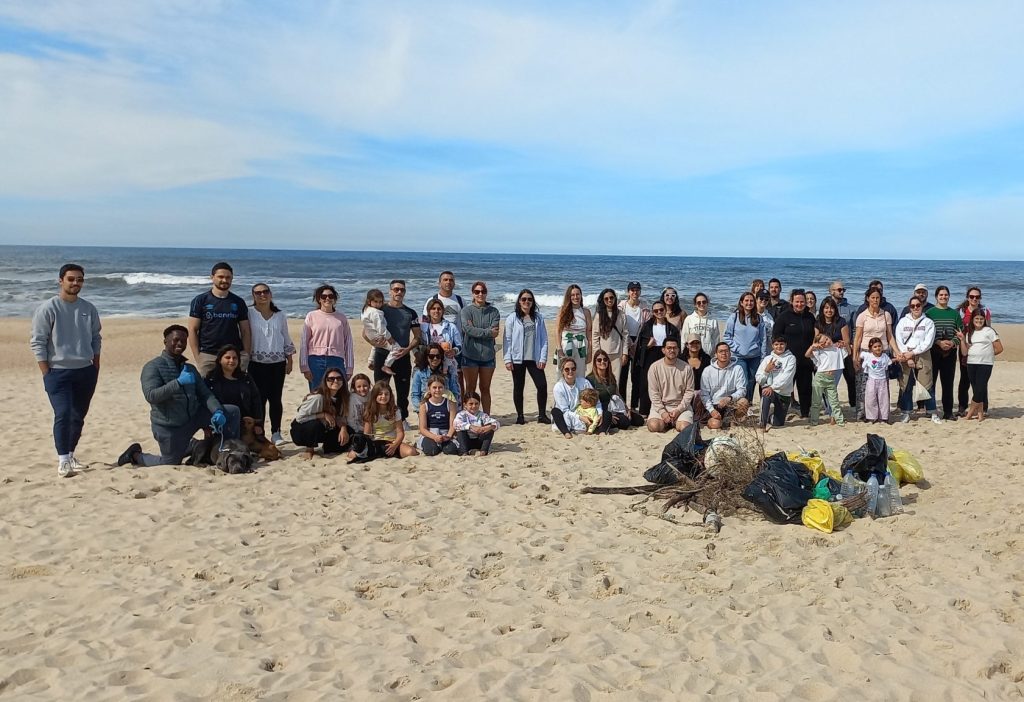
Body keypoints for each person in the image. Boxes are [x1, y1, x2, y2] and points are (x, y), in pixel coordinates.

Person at [116, 325, 240, 468]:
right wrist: (178, 383)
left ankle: (227, 452)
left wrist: (217, 411)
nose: (180, 343)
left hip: (193, 417)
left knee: (232, 412)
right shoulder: (152, 367)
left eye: (183, 340)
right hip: (169, 425)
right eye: (176, 340)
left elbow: (205, 394)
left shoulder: (190, 369)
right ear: (165, 341)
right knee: (170, 462)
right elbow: (151, 396)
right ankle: (135, 455)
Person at [31, 263, 101, 477]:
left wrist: (95, 365)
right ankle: (62, 461)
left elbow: (96, 337)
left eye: (79, 279)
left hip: (85, 371)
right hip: (58, 372)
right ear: (61, 280)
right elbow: (38, 342)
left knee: (78, 416)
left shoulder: (88, 308)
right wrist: (46, 372)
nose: (75, 283)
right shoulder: (48, 308)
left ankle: (70, 455)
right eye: (71, 279)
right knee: (63, 414)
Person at [248, 283, 295, 445]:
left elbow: (285, 337)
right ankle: (260, 434)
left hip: (277, 363)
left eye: (265, 291)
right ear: (253, 296)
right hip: (255, 363)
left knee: (275, 399)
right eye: (258, 293)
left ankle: (276, 433)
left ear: (270, 294)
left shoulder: (280, 315)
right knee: (259, 400)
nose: (262, 295)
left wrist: (290, 359)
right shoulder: (249, 313)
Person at [366, 280, 420, 421]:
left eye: (402, 290)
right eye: (396, 289)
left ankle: (402, 419)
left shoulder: (411, 313)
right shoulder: (380, 310)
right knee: (380, 390)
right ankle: (379, 418)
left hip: (402, 356)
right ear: (390, 291)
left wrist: (408, 349)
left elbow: (417, 337)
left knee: (403, 391)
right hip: (382, 355)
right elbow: (366, 332)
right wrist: (373, 343)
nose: (399, 292)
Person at [188, 262, 251, 378]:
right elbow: (192, 329)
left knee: (234, 387)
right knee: (207, 388)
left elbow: (245, 330)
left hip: (233, 356)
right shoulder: (200, 300)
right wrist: (198, 357)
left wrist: (246, 354)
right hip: (208, 355)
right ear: (212, 277)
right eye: (220, 277)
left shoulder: (238, 302)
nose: (224, 280)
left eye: (228, 277)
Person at [502, 289, 550, 424]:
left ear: (533, 302)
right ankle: (520, 416)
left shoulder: (538, 318)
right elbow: (507, 340)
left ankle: (542, 415)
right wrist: (507, 359)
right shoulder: (512, 318)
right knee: (518, 387)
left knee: (542, 385)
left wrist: (543, 357)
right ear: (519, 301)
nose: (526, 302)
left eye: (529, 299)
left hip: (534, 358)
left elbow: (544, 339)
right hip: (517, 359)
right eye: (523, 299)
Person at [853, 287, 898, 422]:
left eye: (877, 297)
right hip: (866, 352)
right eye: (872, 297)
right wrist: (855, 356)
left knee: (882, 386)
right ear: (868, 299)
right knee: (863, 386)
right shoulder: (862, 315)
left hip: (882, 352)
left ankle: (883, 416)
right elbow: (857, 338)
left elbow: (890, 336)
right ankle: (863, 414)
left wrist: (897, 351)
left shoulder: (886, 315)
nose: (875, 300)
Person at [894, 297, 940, 424]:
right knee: (906, 385)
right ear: (909, 307)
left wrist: (914, 352)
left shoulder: (928, 322)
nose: (915, 308)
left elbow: (928, 342)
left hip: (923, 354)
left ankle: (932, 412)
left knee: (927, 384)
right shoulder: (903, 322)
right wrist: (907, 355)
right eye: (913, 306)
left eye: (918, 305)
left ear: (922, 306)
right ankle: (906, 412)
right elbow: (898, 339)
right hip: (905, 354)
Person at [772, 289, 817, 418]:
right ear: (791, 302)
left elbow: (816, 337)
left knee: (805, 388)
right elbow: (776, 337)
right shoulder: (784, 317)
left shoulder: (810, 317)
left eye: (802, 302)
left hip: (806, 359)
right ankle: (781, 413)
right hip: (788, 359)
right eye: (797, 302)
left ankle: (805, 413)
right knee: (785, 387)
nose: (799, 304)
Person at [300, 284, 354, 390]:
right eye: (324, 296)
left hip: (336, 360)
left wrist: (349, 368)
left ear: (335, 299)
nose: (327, 299)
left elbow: (348, 343)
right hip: (315, 360)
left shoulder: (341, 318)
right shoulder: (311, 316)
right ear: (319, 299)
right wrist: (304, 366)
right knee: (317, 393)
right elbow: (304, 342)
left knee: (337, 393)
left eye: (331, 296)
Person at [632, 301, 681, 416]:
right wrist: (647, 346)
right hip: (649, 355)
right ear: (653, 312)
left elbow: (677, 345)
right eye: (656, 311)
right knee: (646, 383)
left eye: (661, 310)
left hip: (665, 355)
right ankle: (644, 410)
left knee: (665, 382)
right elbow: (639, 346)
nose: (659, 312)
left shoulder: (672, 328)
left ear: (665, 310)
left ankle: (664, 409)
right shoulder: (646, 326)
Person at [422, 271, 467, 397]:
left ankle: (458, 405)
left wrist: (456, 349)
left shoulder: (460, 300)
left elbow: (465, 324)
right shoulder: (432, 300)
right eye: (445, 280)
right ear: (439, 283)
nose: (448, 282)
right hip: (433, 352)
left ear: (454, 283)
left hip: (453, 349)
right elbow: (424, 323)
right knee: (433, 382)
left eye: (451, 280)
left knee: (456, 381)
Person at [291, 368, 351, 459]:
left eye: (339, 378)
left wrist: (343, 428)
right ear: (325, 381)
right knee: (315, 425)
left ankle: (327, 447)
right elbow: (300, 418)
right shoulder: (318, 397)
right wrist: (323, 415)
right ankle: (309, 449)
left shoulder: (342, 397)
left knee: (348, 433)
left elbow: (340, 417)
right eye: (331, 379)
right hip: (302, 430)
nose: (335, 381)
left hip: (325, 428)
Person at [460, 281, 500, 414]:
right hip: (470, 355)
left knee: (485, 388)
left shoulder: (494, 311)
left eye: (483, 291)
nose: (480, 294)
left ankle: (486, 416)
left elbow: (495, 332)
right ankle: (468, 416)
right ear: (473, 293)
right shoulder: (466, 311)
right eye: (477, 292)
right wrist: (487, 332)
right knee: (470, 389)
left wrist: (476, 330)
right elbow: (467, 329)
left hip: (488, 356)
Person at [925, 285, 963, 422]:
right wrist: (938, 342)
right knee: (931, 382)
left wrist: (952, 343)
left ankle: (948, 412)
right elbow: (926, 333)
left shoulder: (954, 314)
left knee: (948, 383)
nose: (943, 297)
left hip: (950, 353)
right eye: (941, 295)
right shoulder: (929, 313)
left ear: (949, 296)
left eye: (946, 295)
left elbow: (960, 333)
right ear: (936, 296)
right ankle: (931, 410)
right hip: (933, 351)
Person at [723, 292, 767, 403]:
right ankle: (741, 405)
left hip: (755, 357)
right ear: (741, 303)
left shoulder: (759, 318)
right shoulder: (734, 317)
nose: (749, 303)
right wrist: (736, 348)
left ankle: (749, 404)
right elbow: (727, 336)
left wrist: (763, 357)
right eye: (746, 300)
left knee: (752, 382)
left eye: (751, 301)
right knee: (743, 382)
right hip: (739, 357)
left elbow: (763, 339)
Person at [957, 311, 1002, 421]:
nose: (979, 321)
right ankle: (980, 413)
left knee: (980, 389)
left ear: (984, 319)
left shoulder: (989, 331)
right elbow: (964, 353)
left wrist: (987, 355)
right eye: (976, 318)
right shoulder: (969, 333)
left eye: (981, 319)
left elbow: (999, 348)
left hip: (985, 364)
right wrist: (962, 340)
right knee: (976, 389)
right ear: (972, 320)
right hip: (971, 364)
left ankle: (970, 413)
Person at [645, 338, 696, 433]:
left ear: (678, 350)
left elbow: (689, 392)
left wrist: (678, 410)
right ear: (663, 350)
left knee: (684, 428)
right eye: (669, 348)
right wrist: (663, 412)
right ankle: (666, 423)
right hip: (661, 406)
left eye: (674, 348)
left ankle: (676, 422)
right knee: (654, 426)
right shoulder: (654, 367)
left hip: (681, 407)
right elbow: (653, 393)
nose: (672, 350)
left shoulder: (686, 368)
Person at [358, 380, 419, 459]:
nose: (383, 396)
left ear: (390, 396)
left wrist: (395, 445)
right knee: (353, 454)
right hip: (376, 442)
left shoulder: (395, 411)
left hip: (392, 441)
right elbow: (367, 434)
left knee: (411, 452)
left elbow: (400, 432)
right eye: (380, 394)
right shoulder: (370, 411)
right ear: (374, 396)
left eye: (386, 394)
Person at [551, 357, 609, 438]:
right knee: (555, 411)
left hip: (587, 413)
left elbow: (597, 401)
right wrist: (580, 417)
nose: (570, 371)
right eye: (567, 369)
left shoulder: (584, 382)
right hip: (569, 416)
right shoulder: (558, 387)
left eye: (573, 369)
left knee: (607, 413)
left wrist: (599, 414)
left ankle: (602, 431)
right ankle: (566, 432)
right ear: (562, 371)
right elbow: (565, 410)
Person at [204, 345, 264, 424]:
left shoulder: (246, 378)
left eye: (235, 358)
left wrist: (257, 423)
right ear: (219, 360)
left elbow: (256, 400)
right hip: (220, 422)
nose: (231, 360)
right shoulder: (210, 380)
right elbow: (205, 402)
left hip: (244, 423)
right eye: (227, 357)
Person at [956, 286, 992, 416]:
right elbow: (958, 330)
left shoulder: (985, 311)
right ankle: (962, 407)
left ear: (980, 298)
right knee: (965, 378)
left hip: (981, 350)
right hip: (965, 349)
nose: (974, 299)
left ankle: (983, 407)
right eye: (972, 296)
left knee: (981, 380)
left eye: (977, 297)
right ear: (967, 297)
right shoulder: (961, 312)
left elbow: (988, 330)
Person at [587, 349, 643, 430]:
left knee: (639, 420)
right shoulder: (590, 379)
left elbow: (617, 394)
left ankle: (614, 420)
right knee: (624, 422)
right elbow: (590, 402)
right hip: (602, 409)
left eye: (605, 359)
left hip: (615, 407)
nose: (602, 362)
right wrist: (604, 414)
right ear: (595, 363)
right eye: (599, 360)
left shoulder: (610, 377)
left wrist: (626, 408)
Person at [700, 343, 750, 430]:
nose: (724, 353)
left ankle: (733, 420)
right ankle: (723, 422)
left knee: (744, 402)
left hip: (731, 404)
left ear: (730, 353)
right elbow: (704, 394)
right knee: (715, 424)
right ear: (716, 354)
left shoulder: (737, 368)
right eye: (721, 351)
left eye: (726, 351)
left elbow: (742, 390)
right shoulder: (707, 370)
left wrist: (730, 398)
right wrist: (712, 410)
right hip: (715, 405)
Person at [618, 281, 651, 411]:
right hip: (624, 342)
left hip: (639, 344)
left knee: (636, 377)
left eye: (637, 290)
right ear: (628, 292)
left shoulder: (644, 308)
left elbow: (647, 327)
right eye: (632, 290)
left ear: (640, 292)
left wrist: (642, 343)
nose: (635, 292)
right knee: (622, 376)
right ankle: (622, 405)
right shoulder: (621, 306)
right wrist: (626, 344)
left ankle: (633, 406)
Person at [815, 297, 850, 416]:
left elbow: (846, 341)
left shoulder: (841, 322)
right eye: (826, 308)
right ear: (822, 309)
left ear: (835, 309)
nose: (829, 310)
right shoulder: (818, 322)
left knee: (832, 385)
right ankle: (830, 409)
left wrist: (842, 344)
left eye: (831, 308)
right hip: (823, 359)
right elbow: (816, 341)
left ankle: (832, 412)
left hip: (837, 358)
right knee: (824, 386)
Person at [805, 333, 847, 427]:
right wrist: (812, 346)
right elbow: (807, 355)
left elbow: (848, 351)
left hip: (831, 379)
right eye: (823, 342)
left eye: (827, 339)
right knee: (816, 401)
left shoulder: (837, 349)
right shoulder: (819, 351)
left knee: (834, 401)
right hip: (820, 377)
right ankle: (814, 421)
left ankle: (839, 420)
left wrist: (844, 345)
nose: (827, 342)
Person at [755, 336, 796, 430]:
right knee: (766, 393)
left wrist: (772, 387)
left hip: (784, 393)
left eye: (781, 344)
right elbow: (759, 379)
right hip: (770, 391)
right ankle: (762, 423)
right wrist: (766, 371)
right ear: (772, 345)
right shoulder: (767, 359)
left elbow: (786, 378)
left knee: (777, 423)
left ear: (785, 345)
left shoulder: (791, 358)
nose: (779, 347)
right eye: (776, 344)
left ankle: (770, 416)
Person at [361, 288, 403, 376]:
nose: (378, 304)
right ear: (369, 301)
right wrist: (389, 337)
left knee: (375, 346)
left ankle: (371, 361)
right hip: (378, 335)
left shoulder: (366, 309)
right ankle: (387, 365)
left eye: (380, 302)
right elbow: (381, 328)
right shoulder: (376, 313)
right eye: (376, 302)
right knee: (397, 349)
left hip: (370, 334)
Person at [828, 280, 857, 406]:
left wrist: (852, 344)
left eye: (843, 290)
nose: (842, 292)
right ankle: (830, 405)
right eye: (839, 290)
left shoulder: (850, 309)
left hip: (846, 348)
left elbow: (855, 329)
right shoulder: (826, 307)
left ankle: (853, 405)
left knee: (851, 377)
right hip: (831, 350)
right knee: (831, 379)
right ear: (831, 291)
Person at [410, 342, 460, 414]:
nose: (435, 358)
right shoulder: (419, 373)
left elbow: (455, 393)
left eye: (438, 356)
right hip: (427, 411)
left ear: (442, 356)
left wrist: (452, 411)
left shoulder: (449, 373)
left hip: (446, 411)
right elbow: (415, 395)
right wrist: (421, 410)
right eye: (431, 356)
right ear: (427, 357)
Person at [421, 298, 463, 380]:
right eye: (433, 308)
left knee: (447, 384)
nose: (436, 311)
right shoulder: (423, 326)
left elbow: (459, 345)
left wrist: (454, 351)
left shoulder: (451, 327)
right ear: (428, 311)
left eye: (439, 309)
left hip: (446, 362)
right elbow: (418, 342)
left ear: (443, 311)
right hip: (429, 362)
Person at [417, 375, 460, 455]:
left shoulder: (451, 403)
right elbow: (422, 429)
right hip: (431, 434)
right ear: (429, 389)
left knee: (450, 450)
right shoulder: (424, 405)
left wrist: (448, 436)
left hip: (446, 433)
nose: (437, 390)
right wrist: (434, 437)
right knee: (432, 451)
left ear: (444, 388)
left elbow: (453, 425)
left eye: (440, 387)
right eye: (434, 387)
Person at [592, 288, 629, 379]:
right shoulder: (599, 315)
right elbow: (595, 336)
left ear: (615, 298)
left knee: (615, 380)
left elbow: (625, 335)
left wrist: (625, 353)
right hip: (602, 354)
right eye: (606, 298)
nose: (609, 300)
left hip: (618, 353)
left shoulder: (621, 314)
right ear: (603, 300)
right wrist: (597, 353)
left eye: (611, 297)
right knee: (602, 379)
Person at [557, 285, 593, 374]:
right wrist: (559, 348)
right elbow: (558, 331)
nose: (575, 297)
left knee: (580, 373)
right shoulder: (563, 310)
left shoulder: (586, 312)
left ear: (581, 295)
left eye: (578, 294)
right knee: (564, 372)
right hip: (566, 344)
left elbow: (589, 333)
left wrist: (590, 351)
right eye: (572, 295)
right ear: (569, 297)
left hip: (581, 346)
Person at [454, 392, 499, 456]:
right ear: (465, 405)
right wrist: (471, 427)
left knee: (490, 430)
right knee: (460, 430)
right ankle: (464, 452)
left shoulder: (482, 415)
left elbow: (496, 423)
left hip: (478, 441)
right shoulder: (461, 414)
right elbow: (456, 424)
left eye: (476, 404)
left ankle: (483, 451)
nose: (474, 406)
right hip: (466, 441)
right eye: (471, 404)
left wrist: (488, 427)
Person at [860, 338, 892, 423]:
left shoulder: (885, 356)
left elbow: (890, 362)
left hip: (882, 381)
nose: (878, 348)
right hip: (872, 380)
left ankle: (883, 417)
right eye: (875, 347)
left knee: (883, 399)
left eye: (879, 346)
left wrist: (898, 358)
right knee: (870, 399)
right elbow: (860, 355)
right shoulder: (868, 355)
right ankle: (872, 417)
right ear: (871, 349)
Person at [680, 292, 720, 356]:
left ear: (707, 303)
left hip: (708, 355)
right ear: (695, 305)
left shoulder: (713, 320)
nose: (701, 304)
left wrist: (716, 354)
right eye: (699, 302)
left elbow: (716, 339)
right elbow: (684, 338)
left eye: (704, 302)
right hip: (692, 355)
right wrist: (683, 353)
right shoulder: (689, 319)